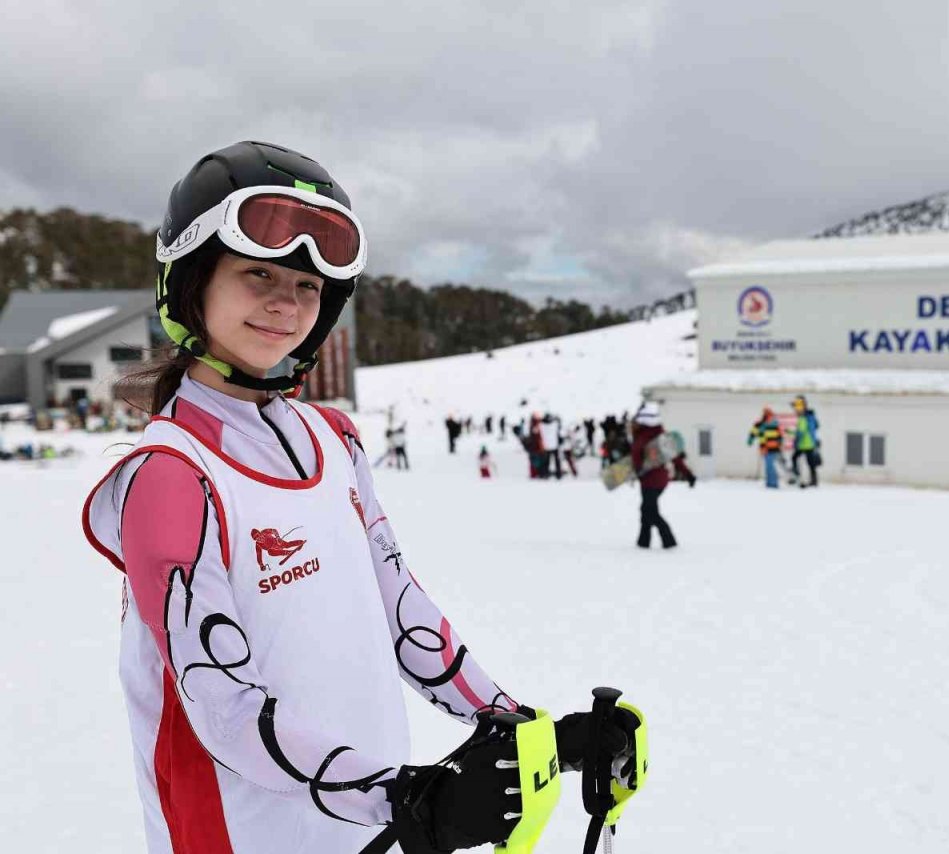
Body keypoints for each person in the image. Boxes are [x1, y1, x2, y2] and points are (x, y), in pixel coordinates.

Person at [81, 141, 638, 854]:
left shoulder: (333, 441)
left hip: (365, 833)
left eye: (309, 287)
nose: (286, 303)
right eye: (258, 274)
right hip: (245, 836)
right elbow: (221, 706)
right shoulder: (169, 477)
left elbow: (401, 609)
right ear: (191, 283)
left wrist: (528, 731)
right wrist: (402, 797)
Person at [630, 401, 694, 549]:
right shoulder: (660, 436)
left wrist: (637, 470)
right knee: (647, 510)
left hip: (650, 481)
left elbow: (637, 458)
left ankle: (669, 541)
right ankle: (643, 541)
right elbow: (676, 458)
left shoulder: (642, 438)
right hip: (659, 480)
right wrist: (688, 475)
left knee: (650, 511)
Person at [788, 394, 820, 488]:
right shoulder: (810, 416)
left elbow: (800, 432)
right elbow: (816, 427)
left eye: (796, 408)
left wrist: (796, 441)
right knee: (811, 463)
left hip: (804, 444)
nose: (795, 410)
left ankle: (796, 475)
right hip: (811, 444)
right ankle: (814, 480)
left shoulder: (803, 418)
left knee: (794, 457)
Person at [748, 406, 783, 489]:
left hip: (773, 448)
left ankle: (773, 483)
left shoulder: (775, 423)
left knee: (770, 465)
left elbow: (780, 435)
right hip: (765, 448)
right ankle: (769, 482)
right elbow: (753, 432)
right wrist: (750, 439)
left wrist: (779, 443)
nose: (767, 415)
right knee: (768, 466)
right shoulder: (760, 424)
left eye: (768, 413)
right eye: (765, 413)